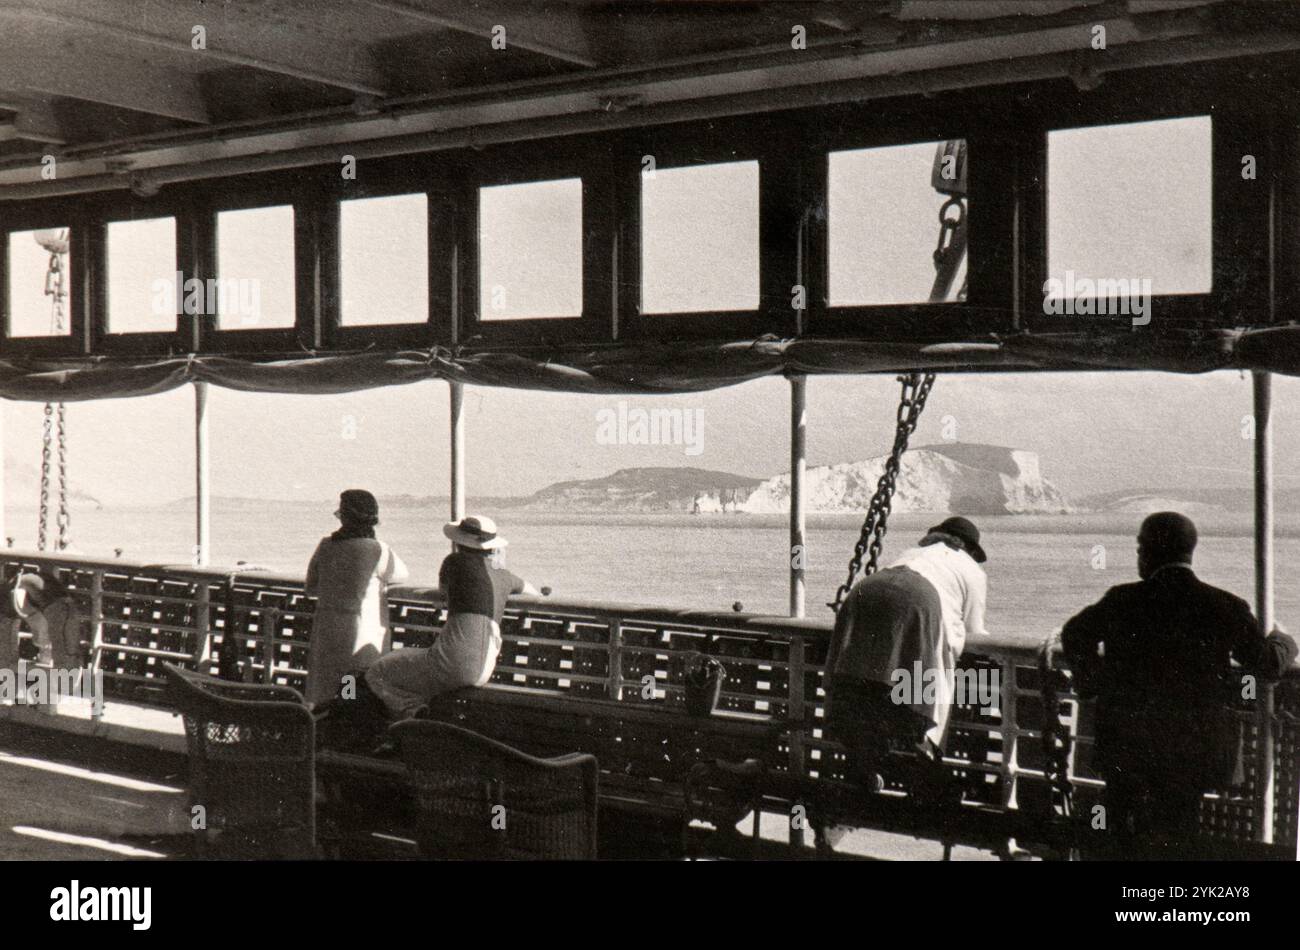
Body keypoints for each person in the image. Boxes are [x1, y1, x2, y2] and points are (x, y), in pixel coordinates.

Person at [1062, 511, 1297, 858]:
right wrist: (1284, 639)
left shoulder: (1121, 600)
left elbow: (1074, 634)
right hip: (1190, 754)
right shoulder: (1223, 605)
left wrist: (1092, 683)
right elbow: (1267, 664)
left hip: (1126, 746)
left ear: (1150, 551)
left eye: (1140, 547)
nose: (1138, 556)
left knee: (1116, 834)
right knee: (1175, 837)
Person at [825, 516, 989, 797]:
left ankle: (867, 767)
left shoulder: (911, 553)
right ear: (967, 548)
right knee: (921, 694)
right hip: (917, 599)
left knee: (861, 680)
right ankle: (925, 769)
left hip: (866, 591)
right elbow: (975, 632)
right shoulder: (971, 570)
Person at [365, 514, 538, 720]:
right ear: (493, 547)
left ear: (458, 542)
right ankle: (418, 723)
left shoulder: (453, 561)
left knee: (377, 671)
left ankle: (410, 713)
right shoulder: (503, 573)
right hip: (484, 670)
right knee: (421, 678)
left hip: (449, 664)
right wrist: (498, 565)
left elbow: (443, 594)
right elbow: (531, 591)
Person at [304, 489, 408, 708]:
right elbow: (401, 574)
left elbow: (311, 587)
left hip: (327, 632)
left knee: (326, 689)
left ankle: (325, 733)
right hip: (360, 635)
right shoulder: (377, 550)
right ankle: (347, 729)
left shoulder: (326, 546)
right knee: (350, 691)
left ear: (343, 516)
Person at [0, 571, 88, 708]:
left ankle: (35, 696)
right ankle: (36, 696)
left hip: (48, 606)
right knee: (57, 649)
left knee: (53, 647)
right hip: (52, 606)